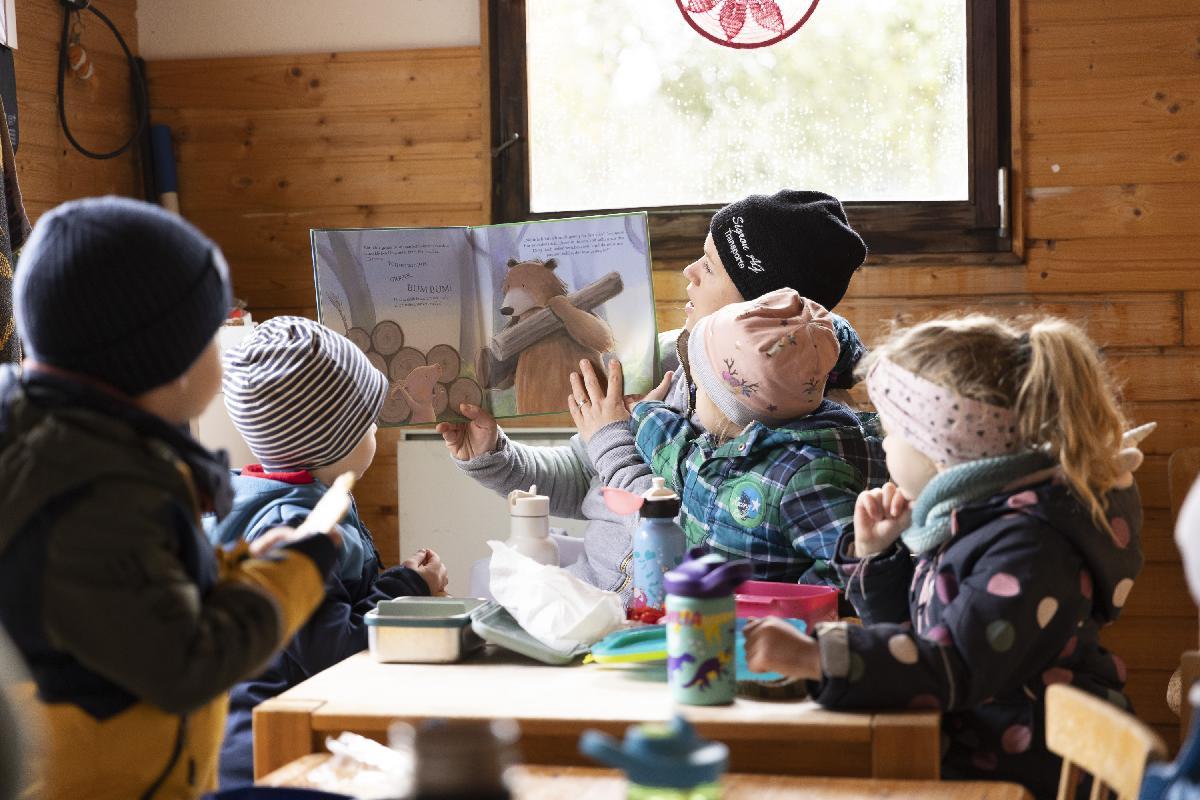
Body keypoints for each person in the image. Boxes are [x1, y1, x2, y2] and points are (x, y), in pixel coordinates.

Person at [0, 197, 337, 799]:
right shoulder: (97, 490)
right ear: (168, 363)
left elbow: (137, 603)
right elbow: (186, 663)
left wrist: (242, 566)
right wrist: (294, 574)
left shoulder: (69, 451)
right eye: (214, 332)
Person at [743, 314, 1146, 797]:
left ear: (941, 449)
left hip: (1024, 777)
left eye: (891, 433)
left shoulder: (1031, 543)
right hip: (973, 755)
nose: (884, 444)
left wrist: (817, 656)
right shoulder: (978, 519)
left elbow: (953, 665)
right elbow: (917, 637)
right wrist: (874, 556)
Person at [441, 190, 880, 600]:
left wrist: (611, 436)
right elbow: (582, 480)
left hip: (655, 620)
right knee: (485, 587)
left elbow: (690, 537)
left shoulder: (786, 422)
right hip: (594, 590)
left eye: (709, 266)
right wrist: (493, 456)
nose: (688, 272)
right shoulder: (666, 359)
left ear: (758, 308)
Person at [209, 316, 449, 788]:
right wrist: (407, 590)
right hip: (271, 749)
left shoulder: (297, 497)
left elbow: (341, 605)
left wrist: (395, 587)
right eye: (368, 421)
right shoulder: (294, 526)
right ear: (330, 440)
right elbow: (332, 651)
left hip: (287, 722)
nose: (376, 428)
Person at [623, 289, 876, 584]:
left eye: (700, 385)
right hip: (705, 614)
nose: (692, 391)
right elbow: (675, 456)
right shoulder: (715, 454)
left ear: (727, 404)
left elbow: (850, 565)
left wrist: (792, 605)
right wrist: (643, 410)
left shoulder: (807, 478)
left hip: (765, 624)